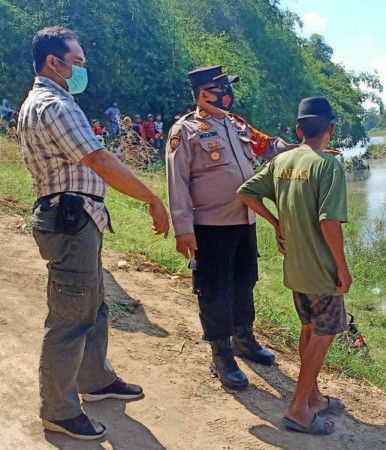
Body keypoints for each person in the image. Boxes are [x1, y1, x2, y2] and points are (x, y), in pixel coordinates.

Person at [17, 26, 169, 440]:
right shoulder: (57, 106)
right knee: (70, 317)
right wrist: (152, 198)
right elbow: (99, 159)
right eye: (78, 62)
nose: (83, 69)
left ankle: (95, 380)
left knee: (93, 305)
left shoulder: (38, 103)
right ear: (55, 62)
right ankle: (59, 410)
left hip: (74, 217)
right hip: (70, 220)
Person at [166, 65, 298, 391]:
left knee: (244, 282)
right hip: (210, 226)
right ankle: (221, 353)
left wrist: (305, 150)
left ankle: (243, 338)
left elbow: (269, 147)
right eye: (223, 86)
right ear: (203, 93)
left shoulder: (237, 124)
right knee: (214, 289)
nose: (229, 92)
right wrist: (183, 228)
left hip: (244, 221)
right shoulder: (185, 131)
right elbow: (177, 181)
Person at [237, 96, 350, 435]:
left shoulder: (282, 161)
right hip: (321, 270)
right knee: (324, 333)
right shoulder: (329, 166)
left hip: (296, 267)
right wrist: (342, 269)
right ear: (330, 129)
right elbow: (330, 223)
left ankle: (313, 397)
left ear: (299, 129)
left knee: (309, 328)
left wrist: (276, 224)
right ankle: (299, 408)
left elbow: (245, 192)